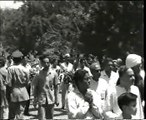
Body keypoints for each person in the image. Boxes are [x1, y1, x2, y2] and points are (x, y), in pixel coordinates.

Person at [32, 55, 59, 120]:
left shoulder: (54, 73)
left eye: (48, 62)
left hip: (51, 98)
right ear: (41, 63)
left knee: (50, 118)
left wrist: (57, 98)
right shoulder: (38, 74)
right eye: (44, 62)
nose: (46, 64)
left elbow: (56, 87)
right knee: (41, 117)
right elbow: (35, 87)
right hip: (42, 99)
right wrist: (35, 99)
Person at [7, 50, 30, 119]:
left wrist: (7, 94)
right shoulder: (25, 69)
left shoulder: (10, 69)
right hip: (23, 92)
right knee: (20, 113)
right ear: (21, 59)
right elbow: (27, 82)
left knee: (11, 113)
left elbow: (9, 83)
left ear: (13, 59)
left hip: (13, 92)